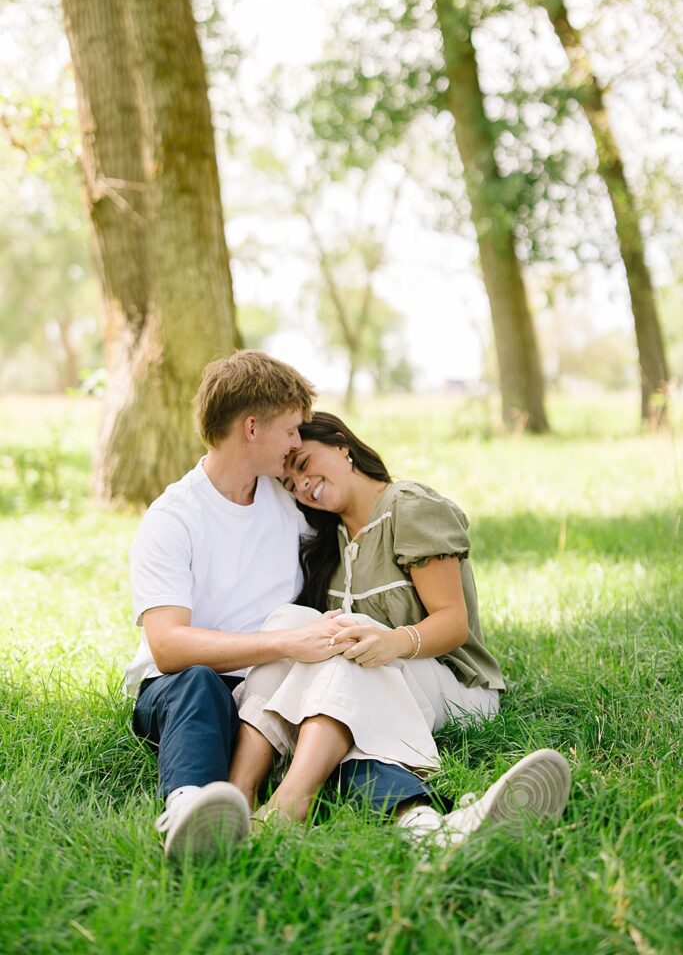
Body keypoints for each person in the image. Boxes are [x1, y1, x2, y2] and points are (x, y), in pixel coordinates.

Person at [230, 411, 571, 847]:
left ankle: (288, 804)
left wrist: (391, 642)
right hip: (370, 687)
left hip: (452, 682)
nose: (303, 486)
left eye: (304, 465)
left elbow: (453, 623)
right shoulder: (328, 543)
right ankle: (426, 828)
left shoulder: (408, 508)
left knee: (350, 654)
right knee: (288, 626)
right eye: (292, 486)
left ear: (341, 445)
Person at [125, 351, 363, 860]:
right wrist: (284, 643)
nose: (299, 443)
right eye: (292, 430)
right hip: (183, 692)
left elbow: (353, 518)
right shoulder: (173, 519)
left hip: (269, 690)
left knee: (340, 711)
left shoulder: (286, 502)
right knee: (199, 683)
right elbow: (168, 647)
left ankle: (423, 817)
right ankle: (189, 812)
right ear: (251, 427)